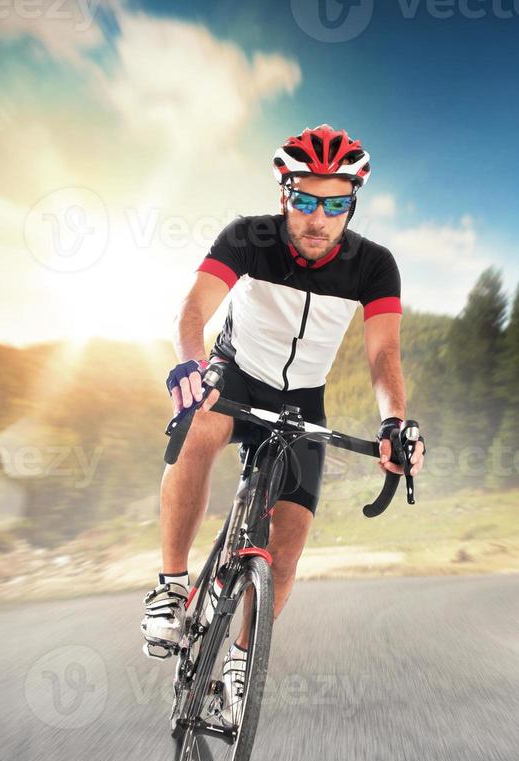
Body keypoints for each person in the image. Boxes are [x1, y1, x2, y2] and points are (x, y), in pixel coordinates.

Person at [141, 124, 425, 692]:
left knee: (288, 548)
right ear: (283, 196)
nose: (318, 218)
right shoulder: (247, 237)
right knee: (199, 428)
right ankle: (172, 587)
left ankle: (243, 662)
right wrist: (191, 364)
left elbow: (383, 353)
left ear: (352, 204)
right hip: (234, 373)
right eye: (305, 200)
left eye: (335, 203)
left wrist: (393, 421)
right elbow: (193, 309)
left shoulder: (375, 266)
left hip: (304, 400)